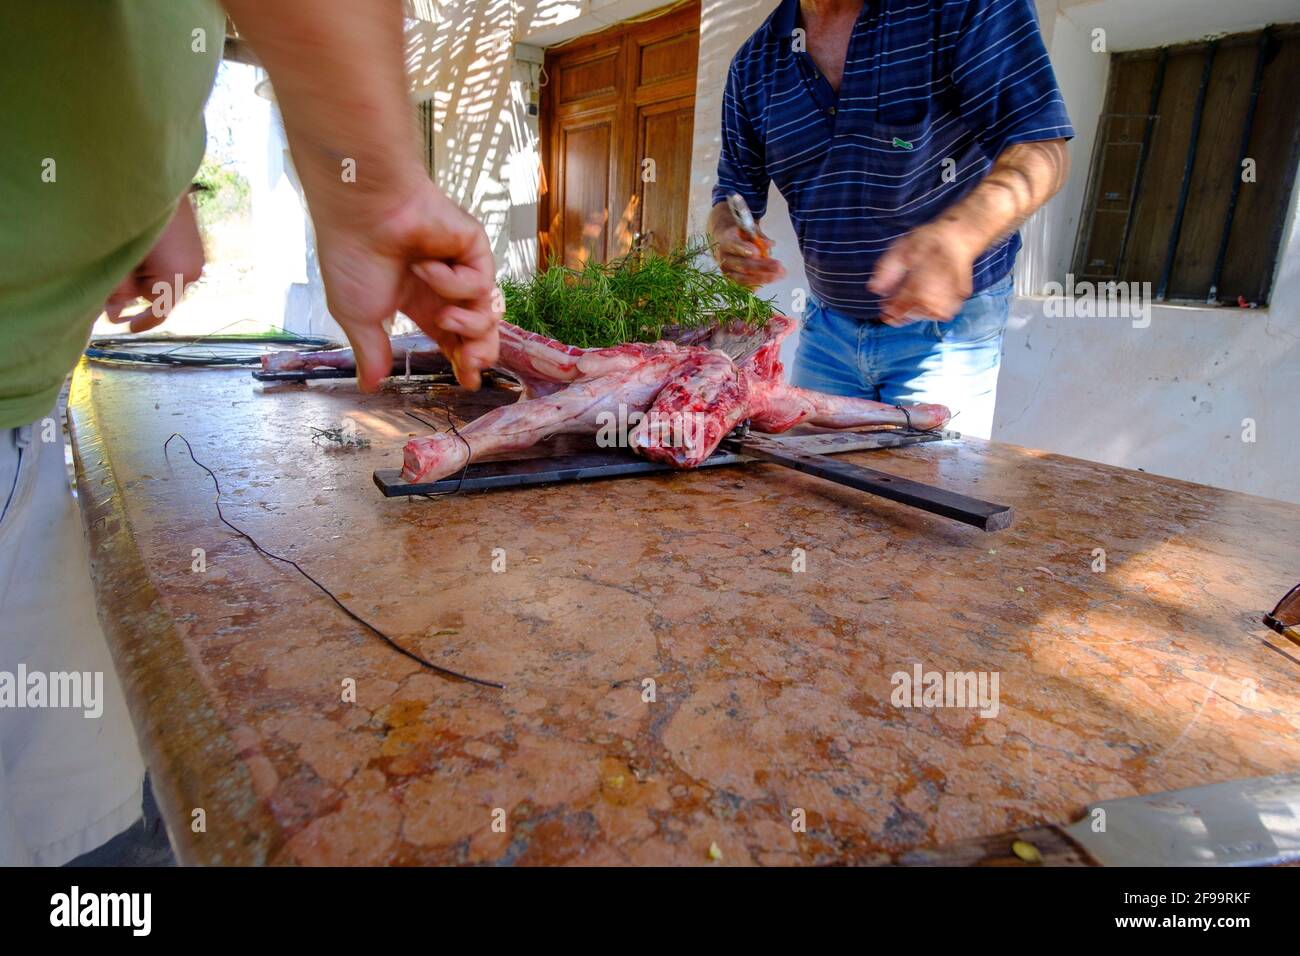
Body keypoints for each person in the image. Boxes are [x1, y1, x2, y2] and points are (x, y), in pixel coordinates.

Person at [0, 0, 499, 865]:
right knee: (94, 853)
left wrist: (146, 194)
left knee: (90, 827)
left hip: (24, 406)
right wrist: (375, 182)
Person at [708, 0, 1072, 439]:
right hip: (827, 328)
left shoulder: (962, 6)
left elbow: (1042, 148)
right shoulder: (754, 65)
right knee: (806, 492)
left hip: (947, 333)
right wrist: (727, 234)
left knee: (928, 500)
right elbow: (733, 194)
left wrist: (960, 236)